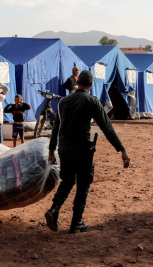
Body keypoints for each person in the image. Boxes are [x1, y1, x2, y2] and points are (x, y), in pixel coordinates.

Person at [45, 70, 131, 234]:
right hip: (82, 149)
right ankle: (76, 222)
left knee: (68, 181)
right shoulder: (92, 101)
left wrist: (51, 149)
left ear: (78, 84)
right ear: (91, 84)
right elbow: (107, 127)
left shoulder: (63, 101)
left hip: (64, 148)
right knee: (83, 183)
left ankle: (54, 210)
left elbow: (56, 127)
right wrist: (122, 150)